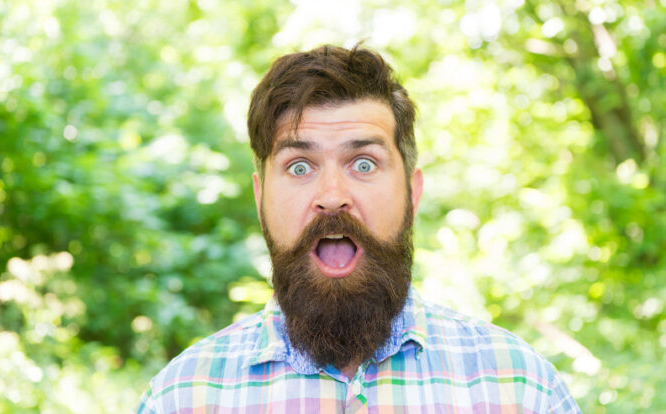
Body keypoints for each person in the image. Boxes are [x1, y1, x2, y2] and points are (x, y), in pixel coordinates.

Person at [135, 45, 581, 413]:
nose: (332, 196)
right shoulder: (180, 398)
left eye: (364, 164)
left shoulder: (521, 389)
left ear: (411, 193)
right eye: (299, 166)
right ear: (260, 197)